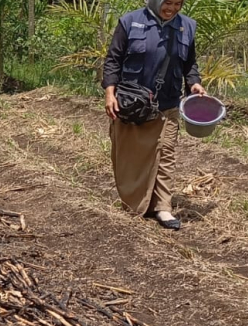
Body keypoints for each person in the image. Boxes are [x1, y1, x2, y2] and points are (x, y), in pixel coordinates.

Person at [102, 0, 206, 230]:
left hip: (167, 104)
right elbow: (113, 61)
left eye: (178, 3)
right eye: (167, 2)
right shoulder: (130, 22)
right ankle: (137, 202)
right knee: (129, 156)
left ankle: (163, 207)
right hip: (132, 104)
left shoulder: (187, 26)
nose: (172, 8)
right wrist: (110, 93)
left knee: (165, 152)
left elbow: (190, 65)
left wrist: (194, 84)